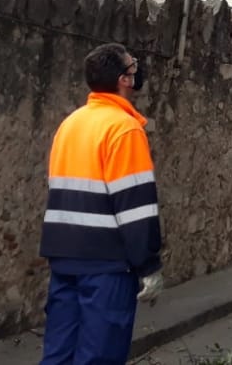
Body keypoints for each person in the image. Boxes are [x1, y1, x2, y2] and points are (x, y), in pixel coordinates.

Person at [39, 43, 163, 365]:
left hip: (64, 256)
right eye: (133, 65)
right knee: (101, 355)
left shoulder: (70, 125)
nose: (138, 71)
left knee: (58, 353)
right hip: (106, 264)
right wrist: (148, 265)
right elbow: (136, 206)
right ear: (125, 79)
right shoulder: (124, 130)